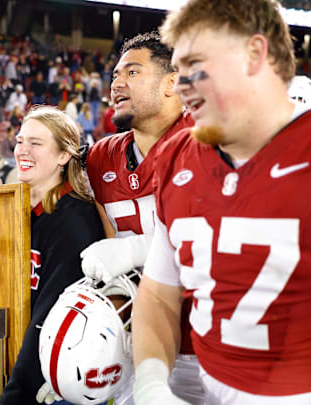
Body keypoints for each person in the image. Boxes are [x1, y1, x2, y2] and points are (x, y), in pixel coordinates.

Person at [132, 2, 311, 404]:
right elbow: (159, 294)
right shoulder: (178, 157)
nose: (179, 85)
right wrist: (149, 384)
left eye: (195, 62)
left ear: (254, 54)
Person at [76, 31, 202, 405]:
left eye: (132, 72)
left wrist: (136, 249)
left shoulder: (212, 142)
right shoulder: (100, 158)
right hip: (139, 343)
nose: (116, 83)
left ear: (172, 82)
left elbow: (219, 239)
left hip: (215, 348)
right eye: (115, 75)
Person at [0, 106, 105, 404]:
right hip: (10, 363)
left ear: (63, 155)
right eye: (20, 141)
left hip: (50, 376)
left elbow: (50, 316)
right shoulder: (12, 207)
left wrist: (19, 391)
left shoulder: (75, 220)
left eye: (36, 143)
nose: (23, 150)